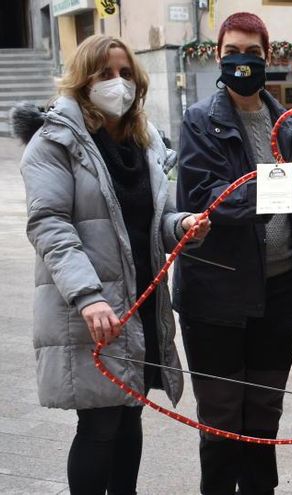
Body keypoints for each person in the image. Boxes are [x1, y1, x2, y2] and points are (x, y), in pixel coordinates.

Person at [15, 34, 209, 494]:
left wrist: (181, 226)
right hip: (91, 307)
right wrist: (88, 297)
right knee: (100, 424)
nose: (117, 83)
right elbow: (50, 226)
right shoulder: (53, 141)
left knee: (129, 414)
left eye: (125, 73)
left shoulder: (143, 141)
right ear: (83, 81)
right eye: (105, 74)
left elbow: (150, 219)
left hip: (139, 303)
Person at [173, 12, 292, 495]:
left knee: (263, 416)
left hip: (279, 293)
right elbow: (208, 198)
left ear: (268, 57)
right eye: (233, 52)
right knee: (220, 421)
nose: (243, 62)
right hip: (216, 295)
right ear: (217, 56)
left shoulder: (290, 126)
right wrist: (279, 188)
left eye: (253, 53)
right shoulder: (198, 121)